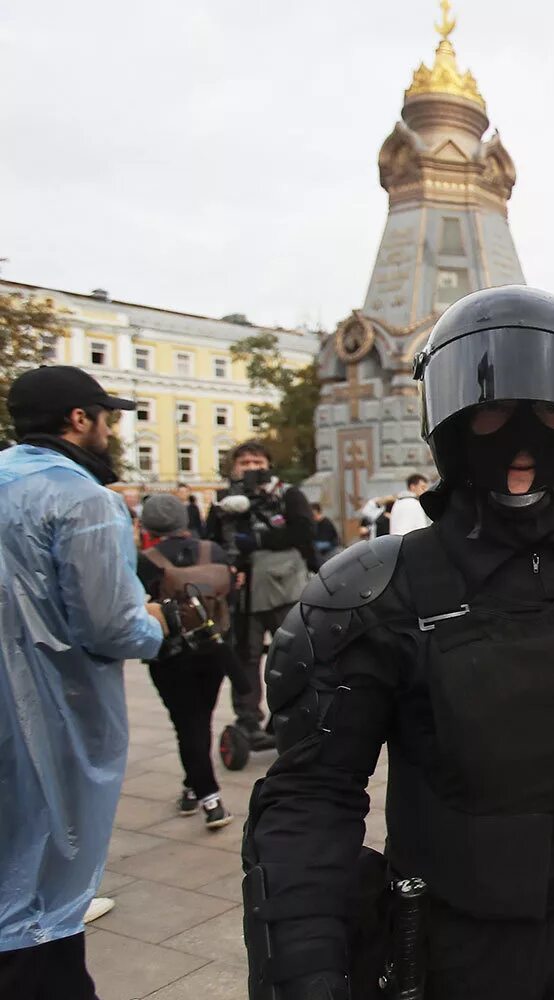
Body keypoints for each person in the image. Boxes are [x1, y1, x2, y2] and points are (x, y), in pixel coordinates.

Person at [242, 285, 554, 999]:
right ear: (451, 424)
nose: (522, 445)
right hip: (459, 945)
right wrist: (303, 964)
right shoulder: (373, 592)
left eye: (549, 413)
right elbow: (310, 796)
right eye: (490, 413)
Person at [0, 365, 166, 998]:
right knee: (41, 889)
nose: (109, 429)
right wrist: (150, 621)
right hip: (52, 717)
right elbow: (110, 628)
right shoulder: (84, 500)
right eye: (106, 417)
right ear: (79, 420)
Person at [205, 441, 316, 754]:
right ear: (233, 468)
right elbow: (211, 540)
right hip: (242, 593)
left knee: (291, 654)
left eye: (257, 462)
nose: (251, 468)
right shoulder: (223, 501)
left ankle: (289, 714)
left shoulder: (287, 494)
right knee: (245, 656)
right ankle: (248, 719)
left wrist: (259, 538)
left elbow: (305, 531)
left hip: (284, 588)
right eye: (244, 463)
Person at [137, 493, 237, 829]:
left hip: (169, 654)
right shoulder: (214, 551)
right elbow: (231, 593)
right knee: (201, 719)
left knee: (186, 723)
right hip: (213, 648)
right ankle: (191, 786)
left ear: (147, 524)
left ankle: (210, 799)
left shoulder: (145, 560)